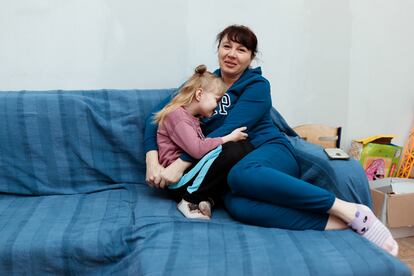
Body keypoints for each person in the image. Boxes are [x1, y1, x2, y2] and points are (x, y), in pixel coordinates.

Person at [144, 25, 398, 256]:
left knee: (241, 175)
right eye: (227, 46)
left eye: (241, 49)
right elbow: (157, 116)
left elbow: (234, 127)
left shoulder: (257, 86)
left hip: (270, 151)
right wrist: (152, 161)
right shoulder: (204, 83)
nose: (232, 54)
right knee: (237, 205)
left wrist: (181, 163)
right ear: (218, 49)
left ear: (251, 57)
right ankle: (343, 224)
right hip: (229, 167)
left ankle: (346, 208)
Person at [154, 64, 252, 219]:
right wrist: (228, 138)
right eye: (217, 99)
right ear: (199, 94)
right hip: (179, 181)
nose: (218, 106)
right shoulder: (177, 116)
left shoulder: (193, 119)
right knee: (233, 148)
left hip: (190, 174)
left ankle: (207, 198)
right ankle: (190, 200)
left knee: (243, 146)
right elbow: (197, 150)